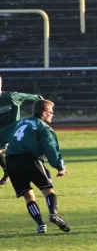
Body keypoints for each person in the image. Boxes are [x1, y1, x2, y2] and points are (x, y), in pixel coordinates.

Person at [6, 99, 70, 234]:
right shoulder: (43, 127)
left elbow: (3, 134)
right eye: (51, 112)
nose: (52, 115)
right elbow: (51, 149)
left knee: (28, 196)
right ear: (44, 113)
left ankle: (41, 225)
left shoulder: (20, 122)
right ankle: (53, 214)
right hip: (31, 160)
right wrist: (60, 166)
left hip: (11, 162)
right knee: (48, 191)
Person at [0, 76, 44, 186]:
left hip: (12, 131)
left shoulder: (12, 97)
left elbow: (37, 98)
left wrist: (40, 114)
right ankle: (8, 172)